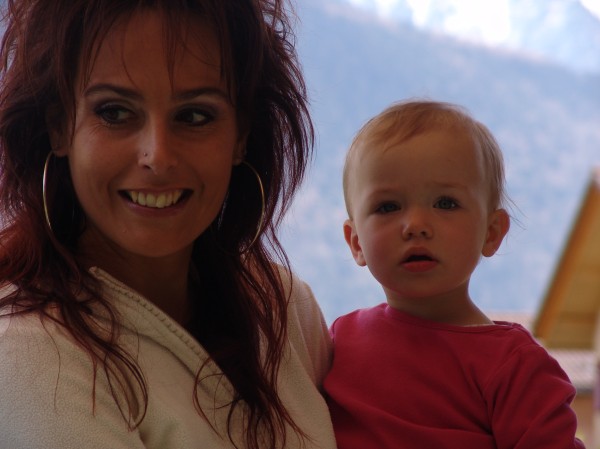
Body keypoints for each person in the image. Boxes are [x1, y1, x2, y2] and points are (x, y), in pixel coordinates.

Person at [0, 1, 337, 448]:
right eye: (115, 112)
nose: (157, 156)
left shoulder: (286, 310)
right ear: (59, 126)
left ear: (241, 135)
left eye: (194, 115)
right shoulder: (29, 352)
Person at [324, 100, 585, 448]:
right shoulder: (337, 342)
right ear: (356, 241)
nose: (415, 225)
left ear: (491, 232)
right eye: (388, 206)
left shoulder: (515, 367)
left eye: (445, 203)